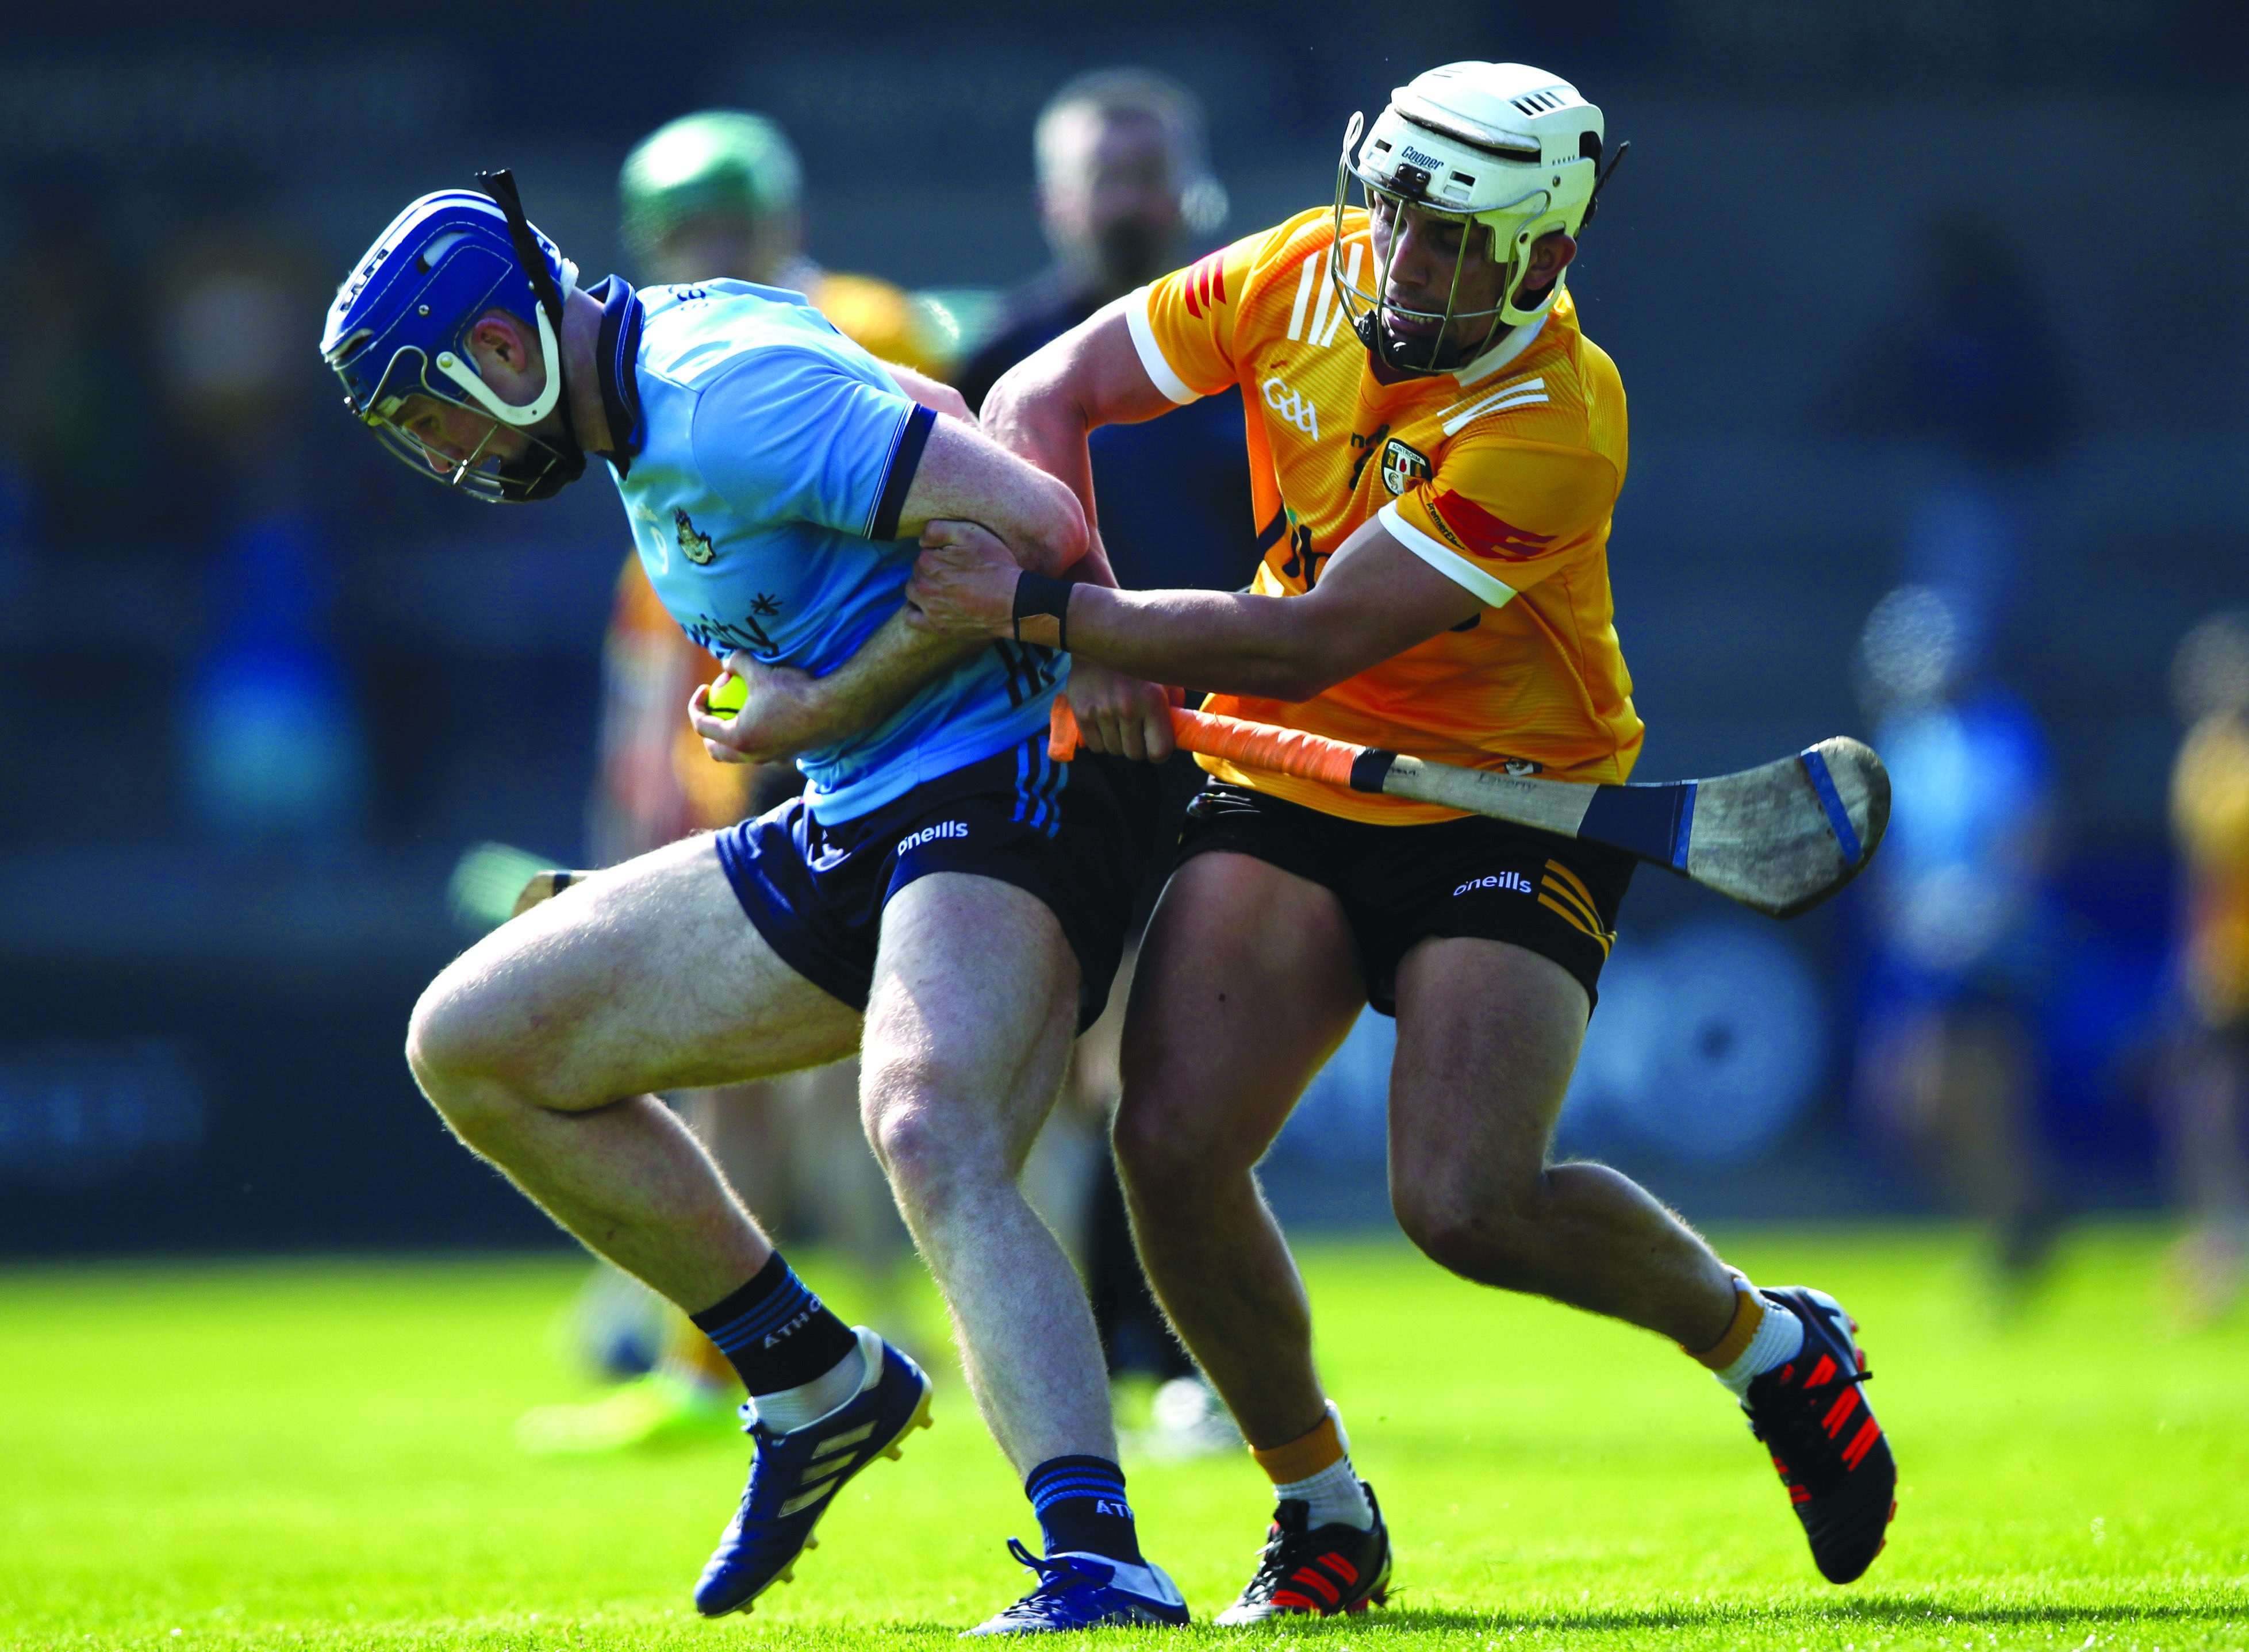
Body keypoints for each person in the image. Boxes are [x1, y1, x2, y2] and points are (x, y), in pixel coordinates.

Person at [899, 60, 1901, 1615]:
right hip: (1299, 784)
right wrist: (1087, 612)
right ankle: (1323, 1512)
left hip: (1508, 793)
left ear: (1547, 260)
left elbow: (1319, 638)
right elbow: (1045, 395)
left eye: (1457, 244)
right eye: (1396, 214)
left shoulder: (1558, 416)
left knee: (1465, 1203)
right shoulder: (1307, 263)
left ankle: (1769, 1345)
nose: (1405, 261)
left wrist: (1055, 611)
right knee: (1167, 1147)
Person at [321, 175, 1188, 1631]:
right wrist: (822, 720)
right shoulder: (647, 379)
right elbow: (917, 395)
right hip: (855, 806)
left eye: (435, 411)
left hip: (1002, 779)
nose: (446, 454)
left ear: (501, 345)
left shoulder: (713, 396)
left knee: (923, 1120)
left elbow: (1031, 521)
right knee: (474, 1036)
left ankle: (1098, 1558)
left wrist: (823, 700)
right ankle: (808, 1375)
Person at [519, 107, 935, 1456]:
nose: (704, 240)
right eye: (681, 221)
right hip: (740, 747)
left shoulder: (857, 320)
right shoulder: (640, 368)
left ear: (773, 216)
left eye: (723, 214)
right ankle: (730, 1356)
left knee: (870, 1077)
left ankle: (885, 1324)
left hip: (874, 722)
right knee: (732, 1081)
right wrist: (644, 777)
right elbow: (658, 610)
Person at [958, 70, 1259, 1446]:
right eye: (1102, 171)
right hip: (1053, 758)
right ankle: (1095, 1357)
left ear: (1186, 184)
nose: (1128, 195)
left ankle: (1161, 1358)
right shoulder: (998, 360)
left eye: (1149, 168)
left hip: (1230, 757)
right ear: (1051, 195)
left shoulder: (1259, 351)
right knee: (1053, 1086)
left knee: (1152, 1074)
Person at [2159, 611, 2249, 1323]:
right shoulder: (2206, 752)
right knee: (2207, 1110)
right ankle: (2221, 1242)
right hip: (2225, 963)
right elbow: (2204, 869)